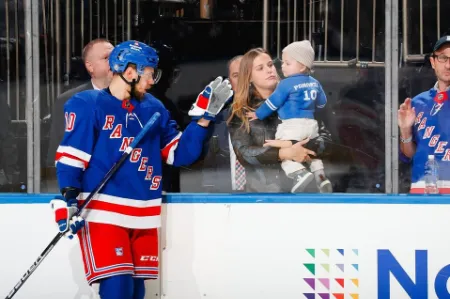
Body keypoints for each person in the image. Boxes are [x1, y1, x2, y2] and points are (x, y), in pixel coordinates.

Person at [51, 40, 232, 299]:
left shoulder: (154, 108)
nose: (153, 80)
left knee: (136, 291)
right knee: (118, 287)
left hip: (144, 214)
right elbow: (71, 157)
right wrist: (69, 197)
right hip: (104, 212)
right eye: (150, 73)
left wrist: (203, 119)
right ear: (129, 71)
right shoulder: (87, 104)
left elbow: (179, 154)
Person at [227, 47, 332, 193]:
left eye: (270, 65)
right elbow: (244, 153)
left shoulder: (301, 95)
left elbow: (326, 139)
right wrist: (284, 153)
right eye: (260, 68)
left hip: (307, 191)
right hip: (264, 195)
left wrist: (299, 148)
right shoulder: (241, 110)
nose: (269, 70)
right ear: (249, 76)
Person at [46, 38, 114, 168]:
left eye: (116, 57)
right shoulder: (69, 100)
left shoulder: (134, 99)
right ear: (90, 66)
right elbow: (58, 145)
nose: (115, 62)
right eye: (107, 58)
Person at [399, 35, 450, 194]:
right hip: (422, 191)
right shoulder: (417, 103)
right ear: (433, 62)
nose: (448, 65)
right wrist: (406, 130)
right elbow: (409, 154)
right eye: (443, 58)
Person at [198, 55, 244, 192]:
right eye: (236, 75)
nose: (242, 80)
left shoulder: (272, 115)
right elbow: (210, 168)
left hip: (265, 201)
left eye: (246, 74)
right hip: (224, 201)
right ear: (230, 82)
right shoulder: (217, 120)